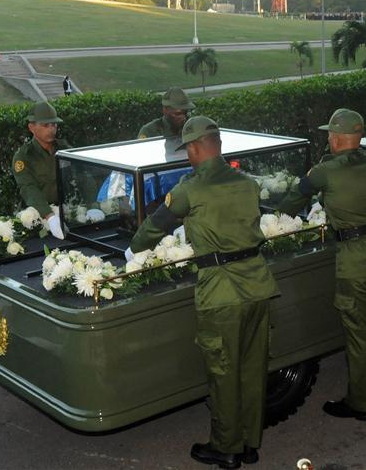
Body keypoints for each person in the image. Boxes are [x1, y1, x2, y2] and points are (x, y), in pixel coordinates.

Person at [127, 116, 277, 469]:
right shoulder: (247, 182)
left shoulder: (188, 189)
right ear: (219, 144)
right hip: (258, 284)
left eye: (188, 150)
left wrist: (133, 249)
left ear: (194, 148)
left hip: (221, 291)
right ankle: (250, 443)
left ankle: (225, 447)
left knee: (223, 371)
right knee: (253, 368)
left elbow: (154, 226)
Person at [278, 108, 366, 422]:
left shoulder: (325, 170)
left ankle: (360, 405)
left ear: (335, 137)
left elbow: (294, 200)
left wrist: (274, 216)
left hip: (357, 260)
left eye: (329, 134)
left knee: (359, 335)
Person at [12, 102, 68, 239]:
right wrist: (49, 216)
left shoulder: (65, 148)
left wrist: (93, 205)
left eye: (54, 125)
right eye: (45, 125)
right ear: (31, 127)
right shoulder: (24, 156)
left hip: (66, 214)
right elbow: (29, 188)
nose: (51, 129)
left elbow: (82, 175)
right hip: (36, 219)